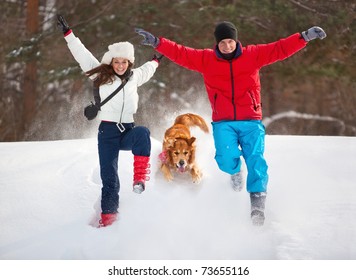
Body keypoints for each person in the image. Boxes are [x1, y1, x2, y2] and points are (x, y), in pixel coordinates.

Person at [135, 22, 326, 226]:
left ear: (236, 41)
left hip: (251, 120)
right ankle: (235, 171)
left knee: (255, 160)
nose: (227, 46)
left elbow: (279, 49)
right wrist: (158, 43)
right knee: (226, 159)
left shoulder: (253, 55)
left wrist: (304, 36)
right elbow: (181, 53)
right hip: (223, 122)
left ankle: (257, 206)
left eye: (230, 42)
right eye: (223, 43)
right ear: (217, 43)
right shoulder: (206, 59)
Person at [57, 15, 163, 227]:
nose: (121, 65)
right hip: (108, 133)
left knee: (143, 133)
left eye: (124, 62)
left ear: (129, 63)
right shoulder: (99, 76)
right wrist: (69, 35)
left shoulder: (135, 77)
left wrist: (157, 58)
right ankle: (108, 218)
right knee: (110, 179)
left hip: (128, 130)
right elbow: (82, 55)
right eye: (117, 62)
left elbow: (149, 68)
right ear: (111, 62)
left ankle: (139, 180)